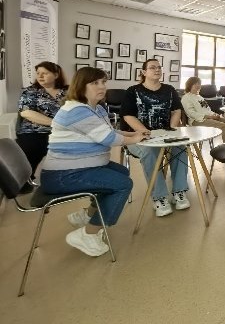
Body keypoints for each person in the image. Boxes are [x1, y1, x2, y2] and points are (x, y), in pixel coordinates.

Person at [40, 67, 147, 257]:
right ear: (81, 86)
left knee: (121, 172)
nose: (102, 86)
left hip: (79, 167)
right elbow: (109, 138)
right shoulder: (77, 110)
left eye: (103, 82)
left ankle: (88, 214)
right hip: (62, 175)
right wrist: (135, 140)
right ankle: (88, 234)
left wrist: (134, 133)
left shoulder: (95, 108)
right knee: (123, 184)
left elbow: (110, 131)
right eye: (95, 83)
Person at [120, 59, 190, 217]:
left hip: (165, 136)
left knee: (180, 148)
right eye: (152, 67)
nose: (157, 70)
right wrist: (145, 133)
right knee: (150, 152)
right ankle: (160, 197)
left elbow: (176, 111)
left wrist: (171, 130)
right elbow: (128, 115)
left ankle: (179, 191)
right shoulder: (132, 91)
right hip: (137, 137)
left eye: (159, 67)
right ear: (144, 72)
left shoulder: (169, 90)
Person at [16, 61, 68, 192]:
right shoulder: (31, 91)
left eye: (45, 73)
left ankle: (67, 179)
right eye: (38, 73)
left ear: (56, 75)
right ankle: (24, 181)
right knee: (32, 147)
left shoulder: (68, 91)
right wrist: (55, 123)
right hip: (34, 131)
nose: (40, 76)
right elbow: (26, 112)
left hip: (64, 131)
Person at [181, 76, 225, 143]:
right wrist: (209, 116)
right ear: (189, 85)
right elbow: (191, 113)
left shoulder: (199, 97)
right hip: (197, 120)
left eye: (199, 84)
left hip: (209, 118)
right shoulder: (186, 98)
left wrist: (214, 114)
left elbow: (207, 109)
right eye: (195, 84)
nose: (198, 85)